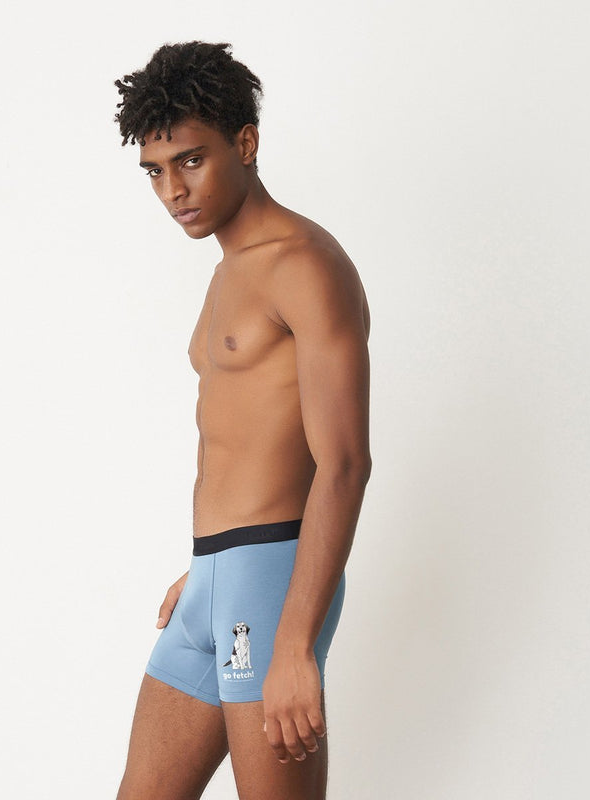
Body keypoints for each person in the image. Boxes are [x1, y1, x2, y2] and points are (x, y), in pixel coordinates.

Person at [113, 41, 371, 800]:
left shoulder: (304, 263)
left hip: (271, 585)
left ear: (246, 143)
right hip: (213, 579)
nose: (173, 190)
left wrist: (294, 642)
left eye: (190, 161)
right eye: (155, 171)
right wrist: (208, 570)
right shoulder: (228, 273)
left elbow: (345, 463)